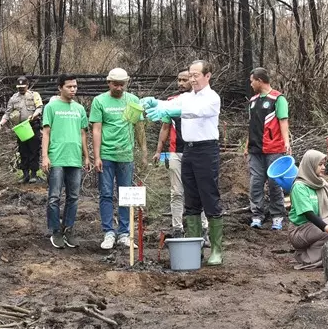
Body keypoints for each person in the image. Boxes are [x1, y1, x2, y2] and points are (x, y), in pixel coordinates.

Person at [143, 60, 225, 265]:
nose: (192, 79)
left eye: (196, 75)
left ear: (208, 76)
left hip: (206, 150)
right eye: (191, 75)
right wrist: (156, 103)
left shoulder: (212, 98)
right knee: (191, 200)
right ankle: (195, 246)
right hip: (187, 150)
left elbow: (195, 111)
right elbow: (172, 105)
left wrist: (171, 111)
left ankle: (216, 249)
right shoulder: (186, 96)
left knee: (209, 196)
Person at [90, 68, 146, 250]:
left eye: (122, 84)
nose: (119, 88)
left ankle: (124, 232)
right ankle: (108, 232)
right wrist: (96, 156)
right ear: (109, 82)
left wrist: (143, 151)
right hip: (106, 154)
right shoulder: (99, 101)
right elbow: (96, 129)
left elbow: (139, 128)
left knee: (126, 195)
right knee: (106, 194)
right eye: (116, 84)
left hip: (126, 155)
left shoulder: (133, 100)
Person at [153, 70, 208, 239]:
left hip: (198, 151)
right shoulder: (171, 102)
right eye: (178, 80)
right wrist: (158, 150)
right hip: (176, 151)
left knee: (201, 190)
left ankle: (203, 229)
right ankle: (177, 227)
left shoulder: (203, 101)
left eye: (184, 80)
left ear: (192, 81)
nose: (180, 83)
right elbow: (165, 127)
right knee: (176, 191)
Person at [42, 74, 90, 249]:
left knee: (74, 197)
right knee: (54, 196)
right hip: (57, 158)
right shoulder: (51, 107)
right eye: (69, 86)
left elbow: (83, 133)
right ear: (60, 88)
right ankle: (55, 231)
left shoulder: (79, 109)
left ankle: (68, 229)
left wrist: (86, 156)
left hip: (74, 158)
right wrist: (45, 156)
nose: (73, 90)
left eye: (75, 87)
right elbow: (46, 132)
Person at [287, 150, 328, 269]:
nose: (323, 167)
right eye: (320, 164)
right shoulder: (299, 187)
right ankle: (307, 257)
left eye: (324, 164)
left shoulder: (322, 184)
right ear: (310, 165)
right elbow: (309, 215)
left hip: (316, 226)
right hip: (300, 230)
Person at [245, 67, 291, 230]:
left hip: (274, 148)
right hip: (255, 150)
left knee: (274, 183)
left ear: (259, 80)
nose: (251, 84)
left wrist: (286, 142)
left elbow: (283, 121)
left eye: (252, 81)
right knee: (256, 182)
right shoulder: (252, 101)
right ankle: (257, 215)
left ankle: (277, 215)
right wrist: (247, 145)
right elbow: (252, 125)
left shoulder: (278, 99)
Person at [0, 77, 44, 183]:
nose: (21, 89)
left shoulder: (34, 95)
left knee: (34, 149)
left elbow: (39, 108)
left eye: (23, 87)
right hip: (21, 128)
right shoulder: (13, 98)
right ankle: (25, 174)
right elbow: (7, 113)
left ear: (27, 85)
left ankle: (34, 174)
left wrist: (34, 116)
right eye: (19, 87)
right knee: (23, 150)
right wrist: (0, 124)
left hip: (32, 126)